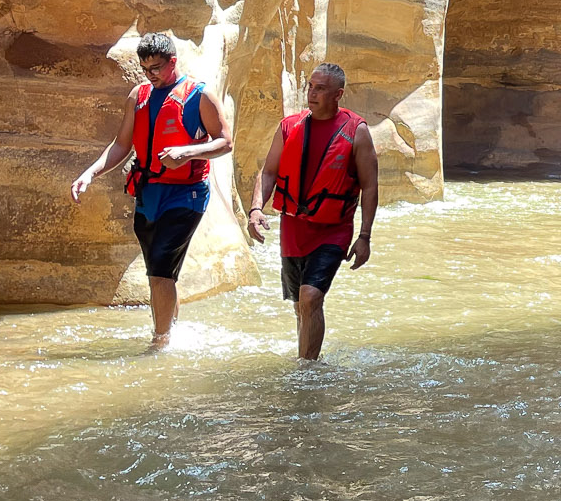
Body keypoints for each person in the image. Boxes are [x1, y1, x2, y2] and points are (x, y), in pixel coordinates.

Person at [71, 32, 234, 347]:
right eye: (146, 69)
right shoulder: (139, 95)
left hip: (186, 194)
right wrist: (90, 173)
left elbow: (225, 142)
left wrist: (186, 152)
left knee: (159, 269)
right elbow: (122, 144)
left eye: (157, 67)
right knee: (159, 272)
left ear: (173, 61)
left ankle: (159, 343)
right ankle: (173, 330)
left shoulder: (199, 95)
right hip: (148, 194)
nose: (151, 74)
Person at [248, 63, 378, 361]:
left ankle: (307, 371)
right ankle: (306, 358)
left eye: (320, 88)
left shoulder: (356, 132)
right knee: (299, 304)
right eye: (310, 86)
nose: (312, 93)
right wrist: (256, 208)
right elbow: (268, 172)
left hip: (333, 229)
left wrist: (365, 236)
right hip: (293, 229)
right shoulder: (289, 126)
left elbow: (370, 187)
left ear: (338, 94)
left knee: (310, 297)